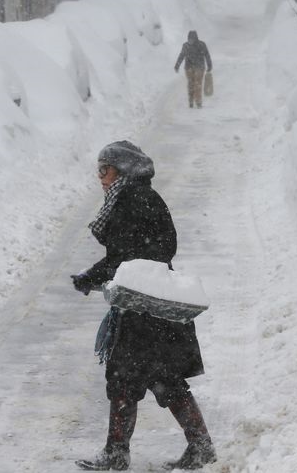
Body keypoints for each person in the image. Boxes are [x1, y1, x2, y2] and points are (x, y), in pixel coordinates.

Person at [71, 141, 216, 471]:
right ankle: (198, 446)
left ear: (120, 170)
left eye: (104, 170)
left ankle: (118, 453)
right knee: (159, 378)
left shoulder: (132, 199)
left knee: (127, 377)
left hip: (145, 308)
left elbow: (124, 256)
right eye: (98, 171)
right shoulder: (141, 197)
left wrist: (91, 277)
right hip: (153, 304)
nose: (101, 178)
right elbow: (146, 250)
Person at [174, 30, 213, 109]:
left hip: (200, 67)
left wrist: (209, 65)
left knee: (197, 84)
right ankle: (191, 101)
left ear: (195, 38)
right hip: (189, 67)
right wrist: (177, 65)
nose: (190, 40)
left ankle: (198, 101)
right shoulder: (186, 46)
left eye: (192, 39)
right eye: (189, 39)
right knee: (190, 84)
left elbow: (207, 55)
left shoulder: (201, 45)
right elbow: (181, 55)